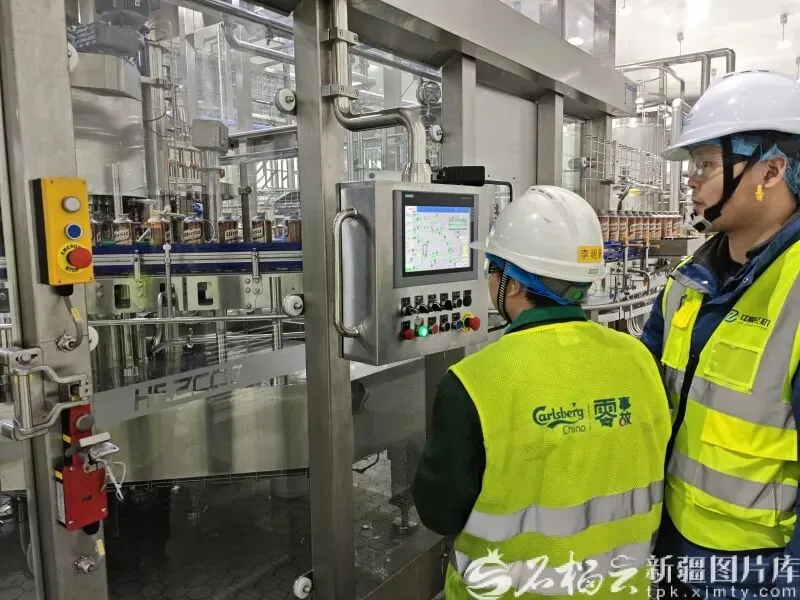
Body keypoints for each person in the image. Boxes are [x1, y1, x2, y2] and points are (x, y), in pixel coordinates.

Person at [412, 185, 671, 599]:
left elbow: (440, 514)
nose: (489, 280)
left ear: (513, 284)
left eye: (492, 269)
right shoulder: (638, 359)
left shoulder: (473, 383)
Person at [640, 70, 800, 598]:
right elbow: (648, 388)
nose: (690, 181)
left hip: (755, 571)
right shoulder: (687, 282)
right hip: (669, 538)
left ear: (771, 170)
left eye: (706, 164)